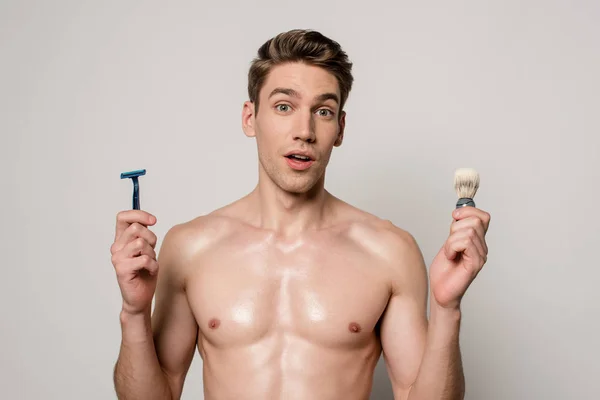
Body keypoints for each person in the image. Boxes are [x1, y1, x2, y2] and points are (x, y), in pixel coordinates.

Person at [111, 29, 491, 400]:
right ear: (250, 117)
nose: (304, 130)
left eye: (323, 111)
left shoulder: (389, 251)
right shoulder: (191, 248)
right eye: (283, 106)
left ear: (339, 128)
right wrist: (134, 311)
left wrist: (447, 309)